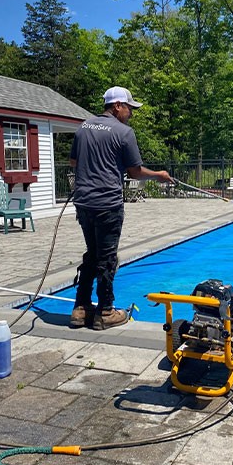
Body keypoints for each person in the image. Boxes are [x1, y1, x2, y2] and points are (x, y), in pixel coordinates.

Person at [69, 86, 174, 330]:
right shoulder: (124, 132)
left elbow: (74, 162)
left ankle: (80, 308)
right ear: (117, 105)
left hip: (84, 203)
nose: (131, 113)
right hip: (107, 203)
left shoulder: (83, 127)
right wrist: (158, 175)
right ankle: (105, 311)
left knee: (92, 254)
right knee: (106, 258)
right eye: (129, 108)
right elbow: (135, 171)